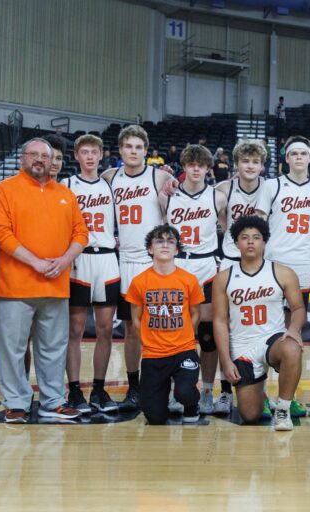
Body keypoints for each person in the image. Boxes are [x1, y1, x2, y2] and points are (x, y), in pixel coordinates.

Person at [0, 138, 88, 423]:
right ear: (23, 158)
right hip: (15, 286)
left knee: (54, 348)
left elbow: (81, 234)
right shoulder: (3, 191)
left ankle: (53, 401)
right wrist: (37, 262)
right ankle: (16, 402)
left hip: (56, 285)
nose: (41, 160)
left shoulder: (65, 194)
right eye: (35, 155)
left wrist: (65, 260)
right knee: (13, 349)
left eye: (46, 155)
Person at [255, 136, 310, 417]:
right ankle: (262, 394)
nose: (299, 157)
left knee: (293, 335)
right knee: (265, 331)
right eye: (294, 154)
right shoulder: (271, 185)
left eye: (304, 153)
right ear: (286, 159)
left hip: (302, 266)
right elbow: (258, 222)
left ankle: (286, 397)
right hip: (272, 264)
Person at [101, 125, 175, 411]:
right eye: (128, 147)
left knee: (159, 327)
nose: (133, 151)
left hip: (153, 263)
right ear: (120, 150)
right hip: (124, 262)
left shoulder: (161, 176)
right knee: (131, 329)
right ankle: (134, 387)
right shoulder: (109, 177)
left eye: (138, 147)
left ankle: (160, 386)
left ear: (147, 151)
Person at [212, 216, 305, 430]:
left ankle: (283, 408)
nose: (251, 242)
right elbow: (219, 321)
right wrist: (226, 361)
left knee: (292, 348)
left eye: (256, 237)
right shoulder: (224, 278)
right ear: (236, 243)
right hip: (243, 346)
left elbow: (299, 308)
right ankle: (260, 395)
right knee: (250, 415)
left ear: (265, 242)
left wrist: (293, 329)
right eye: (245, 238)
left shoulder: (283, 272)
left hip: (272, 340)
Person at [160, 144, 228, 416]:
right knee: (177, 331)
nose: (196, 169)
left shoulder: (218, 196)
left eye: (201, 165)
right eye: (191, 164)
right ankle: (178, 390)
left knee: (208, 335)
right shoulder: (167, 195)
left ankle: (208, 391)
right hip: (177, 265)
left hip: (207, 264)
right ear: (184, 167)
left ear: (208, 168)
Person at [62, 134, 120, 414]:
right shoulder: (67, 185)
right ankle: (74, 390)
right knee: (74, 329)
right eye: (84, 152)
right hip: (79, 259)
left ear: (100, 156)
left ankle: (99, 388)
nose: (89, 157)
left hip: (108, 259)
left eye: (93, 152)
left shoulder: (110, 184)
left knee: (105, 328)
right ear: (76, 156)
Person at [125, 225, 204, 424]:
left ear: (177, 250)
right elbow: (135, 318)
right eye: (159, 241)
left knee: (184, 393)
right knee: (154, 416)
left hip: (183, 350)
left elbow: (195, 314)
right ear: (150, 249)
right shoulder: (139, 282)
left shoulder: (189, 280)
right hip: (154, 354)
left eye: (170, 241)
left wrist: (185, 337)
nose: (165, 245)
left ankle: (191, 404)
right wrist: (146, 341)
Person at [214, 139, 268, 414]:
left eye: (255, 162)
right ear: (236, 164)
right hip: (229, 260)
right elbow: (219, 216)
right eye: (245, 161)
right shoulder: (224, 189)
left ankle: (261, 385)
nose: (250, 166)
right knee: (226, 325)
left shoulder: (270, 189)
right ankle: (224, 391)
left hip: (259, 263)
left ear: (262, 165)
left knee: (258, 326)